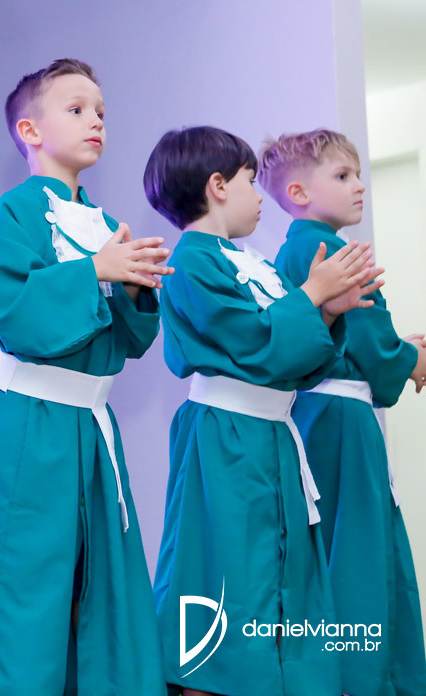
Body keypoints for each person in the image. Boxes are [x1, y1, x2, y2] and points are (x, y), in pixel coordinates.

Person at [0, 58, 171, 696]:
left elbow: (128, 342)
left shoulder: (105, 223)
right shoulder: (12, 213)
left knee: (107, 595)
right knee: (18, 597)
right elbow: (15, 313)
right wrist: (95, 271)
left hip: (93, 429)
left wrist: (138, 289)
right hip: (29, 421)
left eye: (100, 111)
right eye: (76, 109)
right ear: (30, 130)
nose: (95, 120)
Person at [146, 125, 381, 696]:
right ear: (218, 186)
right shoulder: (192, 262)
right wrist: (312, 296)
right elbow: (253, 343)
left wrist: (328, 311)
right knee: (230, 570)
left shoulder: (249, 261)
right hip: (227, 437)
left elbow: (294, 357)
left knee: (285, 565)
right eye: (251, 182)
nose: (259, 197)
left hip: (272, 432)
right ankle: (211, 680)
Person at [263, 128, 426, 696]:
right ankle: (363, 678)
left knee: (332, 547)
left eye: (357, 174)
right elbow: (369, 337)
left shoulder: (292, 252)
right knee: (357, 550)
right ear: (298, 192)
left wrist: (397, 351)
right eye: (342, 175)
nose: (360, 186)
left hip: (313, 414)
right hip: (341, 421)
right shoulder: (332, 253)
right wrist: (411, 359)